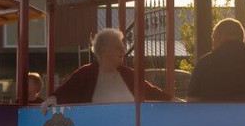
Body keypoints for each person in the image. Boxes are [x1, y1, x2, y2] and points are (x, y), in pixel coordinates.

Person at [40, 28, 171, 114]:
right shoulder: (85, 73)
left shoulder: (128, 74)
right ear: (102, 49)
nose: (123, 51)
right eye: (118, 48)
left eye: (122, 48)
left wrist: (180, 103)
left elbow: (153, 93)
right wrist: (50, 99)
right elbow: (64, 92)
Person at [187, 18, 245, 102]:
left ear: (219, 38)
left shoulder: (204, 64)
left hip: (213, 118)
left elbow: (192, 102)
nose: (213, 45)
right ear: (242, 38)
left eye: (213, 39)